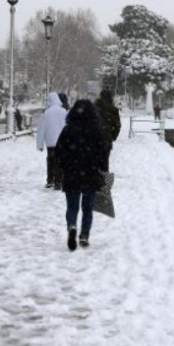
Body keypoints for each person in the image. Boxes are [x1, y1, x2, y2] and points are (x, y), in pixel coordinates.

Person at [56, 99, 106, 250]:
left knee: (72, 206)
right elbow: (102, 153)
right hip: (90, 173)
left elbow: (59, 152)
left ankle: (72, 225)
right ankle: (84, 234)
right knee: (88, 207)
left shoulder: (68, 130)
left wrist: (64, 166)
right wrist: (100, 169)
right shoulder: (96, 130)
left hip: (72, 173)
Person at [36, 93, 68, 189]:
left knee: (50, 160)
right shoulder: (63, 112)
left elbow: (41, 130)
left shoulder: (46, 113)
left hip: (50, 142)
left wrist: (40, 145)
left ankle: (50, 180)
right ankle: (58, 182)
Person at [95, 89, 121, 172]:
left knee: (93, 160)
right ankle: (104, 179)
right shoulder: (113, 110)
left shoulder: (94, 108)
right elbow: (117, 125)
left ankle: (93, 178)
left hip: (93, 137)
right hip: (106, 138)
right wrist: (113, 136)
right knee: (104, 160)